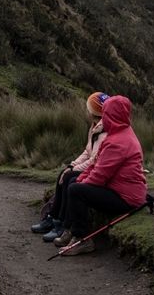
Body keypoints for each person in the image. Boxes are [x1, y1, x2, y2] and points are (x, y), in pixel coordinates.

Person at [51, 94, 147, 254]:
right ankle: (70, 229)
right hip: (119, 189)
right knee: (75, 184)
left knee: (76, 191)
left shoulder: (118, 142)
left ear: (111, 115)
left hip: (126, 198)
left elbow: (100, 176)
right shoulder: (120, 133)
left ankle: (82, 239)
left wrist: (79, 184)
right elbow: (96, 164)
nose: (104, 118)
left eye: (107, 114)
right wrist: (80, 178)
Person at [32, 92, 108, 242]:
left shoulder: (103, 131)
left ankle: (61, 223)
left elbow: (94, 159)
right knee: (64, 173)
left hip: (97, 168)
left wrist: (73, 170)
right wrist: (72, 165)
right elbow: (87, 151)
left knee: (69, 179)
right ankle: (53, 217)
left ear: (93, 111)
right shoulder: (95, 127)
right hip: (91, 165)